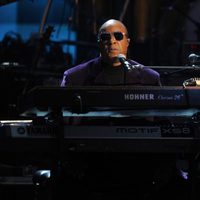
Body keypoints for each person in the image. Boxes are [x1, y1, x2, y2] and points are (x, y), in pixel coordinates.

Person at [61, 19, 161, 86]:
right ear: (99, 43)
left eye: (118, 36)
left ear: (127, 42)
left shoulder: (150, 78)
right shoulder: (74, 78)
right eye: (105, 37)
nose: (112, 41)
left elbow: (159, 116)